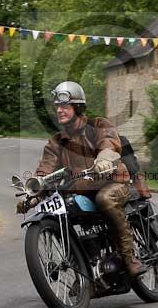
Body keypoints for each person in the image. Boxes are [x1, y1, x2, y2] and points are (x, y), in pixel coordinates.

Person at [18, 81, 146, 278]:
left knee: (105, 199)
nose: (59, 110)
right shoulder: (57, 142)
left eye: (64, 106)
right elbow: (45, 169)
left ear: (77, 107)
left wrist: (103, 160)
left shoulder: (98, 125)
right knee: (64, 214)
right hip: (81, 190)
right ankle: (86, 274)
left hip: (114, 183)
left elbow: (109, 143)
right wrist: (34, 193)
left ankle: (129, 259)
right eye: (57, 107)